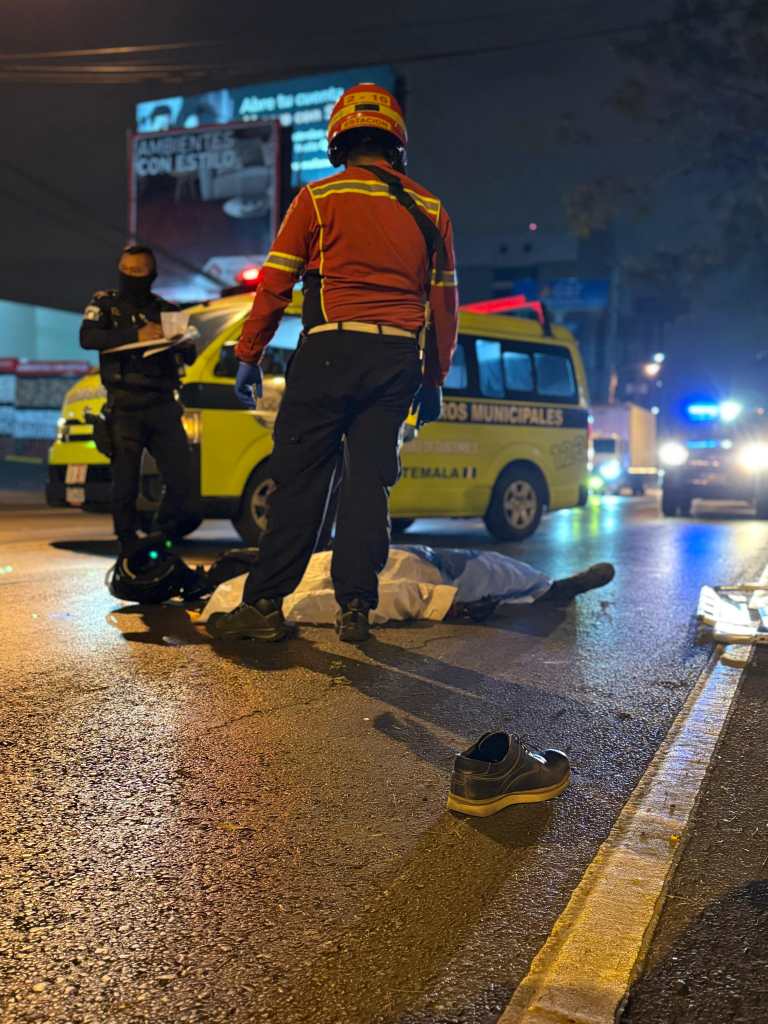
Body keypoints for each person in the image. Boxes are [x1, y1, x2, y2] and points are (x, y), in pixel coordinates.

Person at [208, 83, 458, 644]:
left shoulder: (317, 199)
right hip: (396, 357)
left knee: (299, 481)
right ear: (396, 143)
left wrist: (248, 356)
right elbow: (443, 307)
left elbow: (274, 287)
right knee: (369, 484)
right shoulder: (432, 210)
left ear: (337, 138)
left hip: (328, 353)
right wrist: (434, 378)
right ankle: (355, 609)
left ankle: (267, 605)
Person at [79, 244, 201, 554]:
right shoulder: (105, 304)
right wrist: (137, 335)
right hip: (124, 405)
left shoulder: (167, 310)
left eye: (139, 272)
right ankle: (128, 544)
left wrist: (181, 341)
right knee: (125, 483)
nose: (132, 277)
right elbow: (88, 338)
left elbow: (190, 356)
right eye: (127, 272)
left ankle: (163, 535)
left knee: (182, 479)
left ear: (153, 275)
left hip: (162, 404)